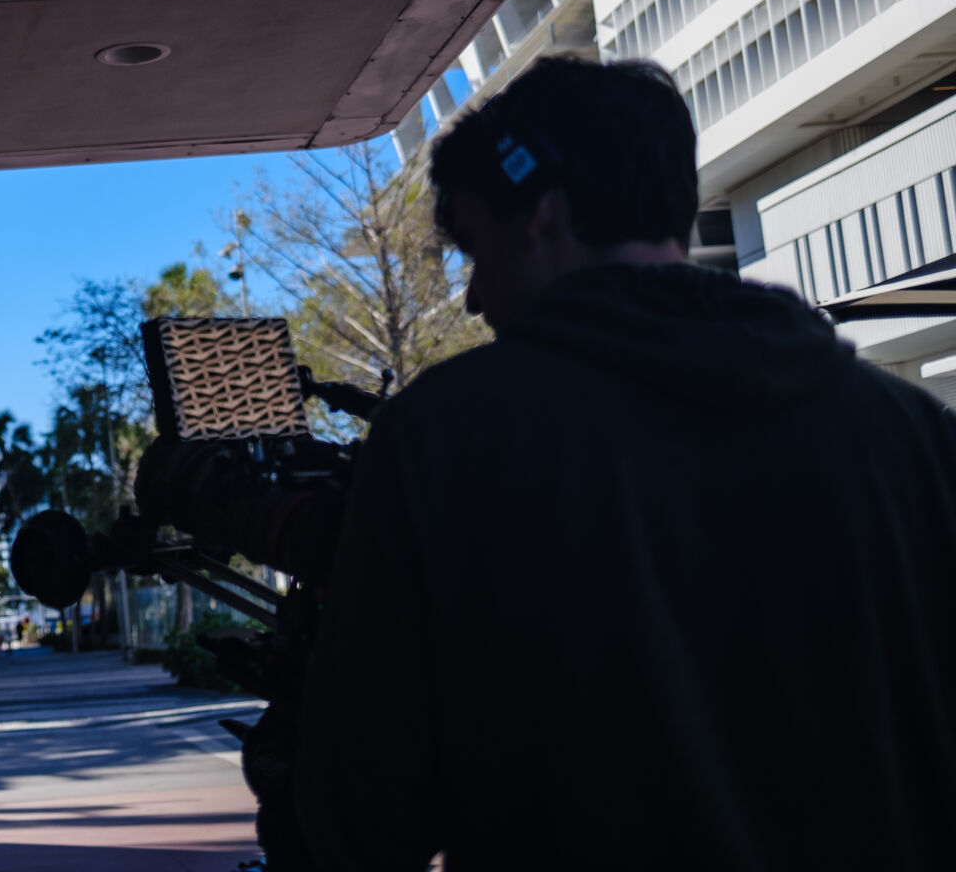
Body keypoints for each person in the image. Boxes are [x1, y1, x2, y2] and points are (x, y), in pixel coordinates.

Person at [293, 56, 956, 869]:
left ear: (542, 216)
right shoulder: (912, 435)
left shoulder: (445, 437)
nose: (473, 298)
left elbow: (360, 813)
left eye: (474, 249)